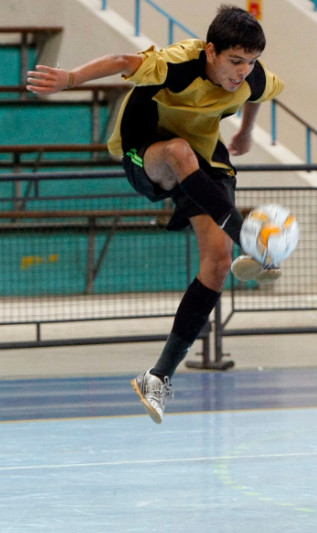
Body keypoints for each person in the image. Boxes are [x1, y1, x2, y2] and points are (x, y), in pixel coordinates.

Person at [26, 5, 284, 424]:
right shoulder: (179, 64)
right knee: (180, 153)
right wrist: (70, 79)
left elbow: (263, 92)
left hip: (203, 157)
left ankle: (157, 377)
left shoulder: (250, 77)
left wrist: (247, 129)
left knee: (218, 264)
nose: (242, 71)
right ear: (211, 51)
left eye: (250, 62)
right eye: (235, 61)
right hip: (148, 149)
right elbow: (121, 61)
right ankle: (248, 235)